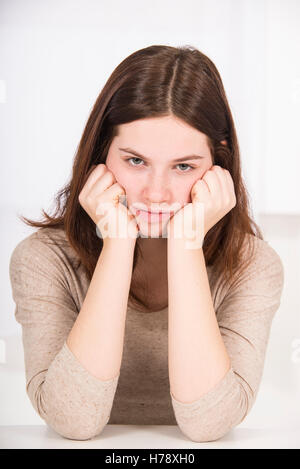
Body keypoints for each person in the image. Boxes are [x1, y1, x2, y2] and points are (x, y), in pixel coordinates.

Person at [9, 44, 284, 442]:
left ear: (218, 167)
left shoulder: (254, 266)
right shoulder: (42, 260)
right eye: (135, 161)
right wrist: (117, 242)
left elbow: (208, 426)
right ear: (102, 154)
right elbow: (73, 422)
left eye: (184, 167)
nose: (156, 194)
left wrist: (187, 245)